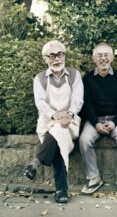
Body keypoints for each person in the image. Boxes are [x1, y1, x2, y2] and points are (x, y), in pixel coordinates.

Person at [24, 40, 83, 203]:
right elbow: (40, 103)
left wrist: (69, 114)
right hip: (48, 122)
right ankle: (61, 190)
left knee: (61, 132)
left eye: (60, 54)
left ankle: (37, 162)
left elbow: (78, 100)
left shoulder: (75, 75)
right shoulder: (40, 78)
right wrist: (56, 116)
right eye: (52, 56)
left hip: (70, 122)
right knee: (59, 136)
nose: (57, 59)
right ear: (45, 59)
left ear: (64, 56)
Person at [79, 43, 117, 194]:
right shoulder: (87, 79)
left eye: (106, 55)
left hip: (116, 119)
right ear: (94, 58)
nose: (103, 58)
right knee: (84, 140)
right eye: (99, 55)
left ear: (112, 57)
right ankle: (94, 177)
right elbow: (86, 104)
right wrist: (95, 123)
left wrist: (114, 122)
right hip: (95, 119)